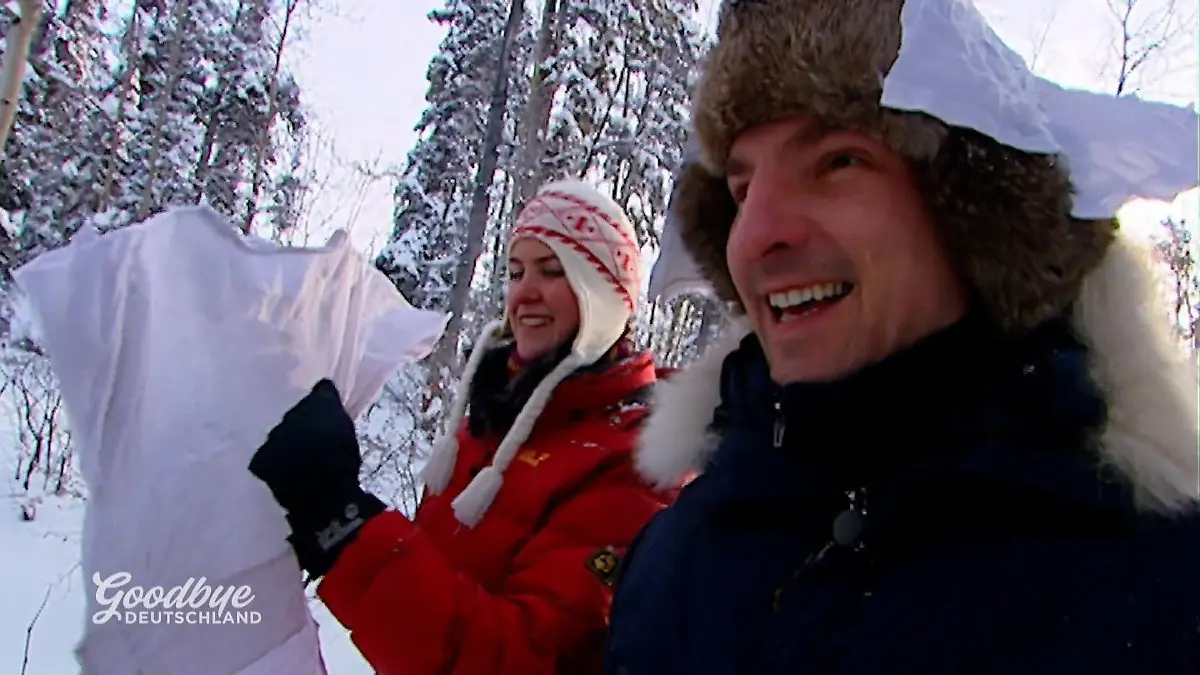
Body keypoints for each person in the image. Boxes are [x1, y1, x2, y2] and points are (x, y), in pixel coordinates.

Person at [603, 1, 1200, 674]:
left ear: (973, 218)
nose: (758, 233)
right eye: (740, 190)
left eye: (837, 162)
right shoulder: (672, 562)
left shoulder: (1157, 587)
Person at [248, 179, 673, 674]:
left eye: (553, 272)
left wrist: (345, 528)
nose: (524, 293)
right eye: (516, 271)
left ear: (605, 297)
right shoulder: (493, 423)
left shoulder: (635, 465)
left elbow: (523, 658)